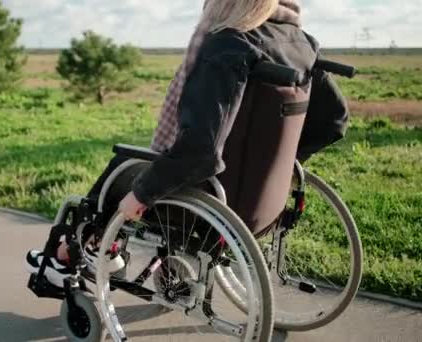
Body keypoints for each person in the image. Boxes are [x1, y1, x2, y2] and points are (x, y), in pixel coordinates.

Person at [26, 0, 349, 287]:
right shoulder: (301, 43)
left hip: (211, 199)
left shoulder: (229, 42)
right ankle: (105, 251)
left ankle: (69, 255)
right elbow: (334, 120)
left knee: (121, 169)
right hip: (262, 201)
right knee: (139, 166)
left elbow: (200, 150)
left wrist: (142, 194)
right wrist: (284, 162)